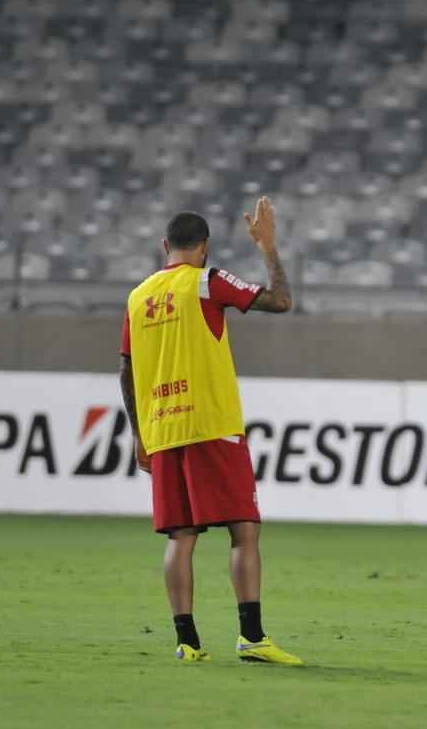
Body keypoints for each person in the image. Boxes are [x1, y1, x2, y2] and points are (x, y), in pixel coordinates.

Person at [118, 196, 303, 665]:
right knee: (244, 531)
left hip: (162, 428)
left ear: (165, 246)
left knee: (180, 538)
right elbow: (280, 301)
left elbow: (126, 370)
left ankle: (187, 642)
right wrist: (268, 247)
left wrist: (139, 432)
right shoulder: (208, 281)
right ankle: (252, 637)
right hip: (211, 423)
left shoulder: (138, 296)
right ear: (203, 248)